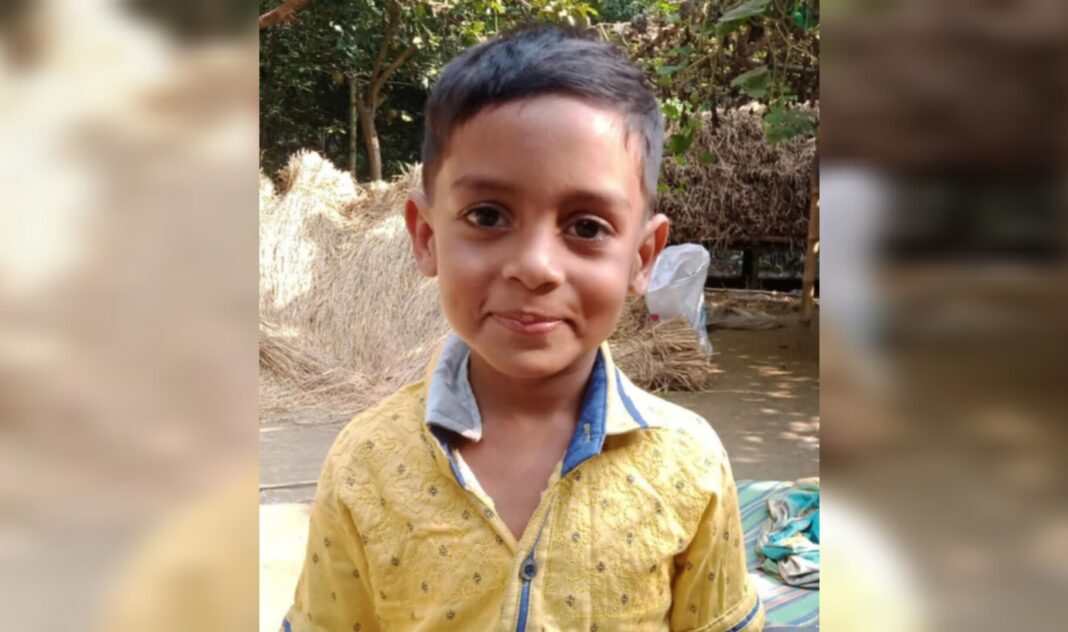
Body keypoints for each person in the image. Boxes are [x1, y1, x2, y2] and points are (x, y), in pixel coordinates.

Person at [281, 25, 763, 632]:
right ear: (427, 237)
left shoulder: (689, 464)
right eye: (488, 216)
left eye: (586, 227)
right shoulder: (365, 464)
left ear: (642, 258)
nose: (535, 266)